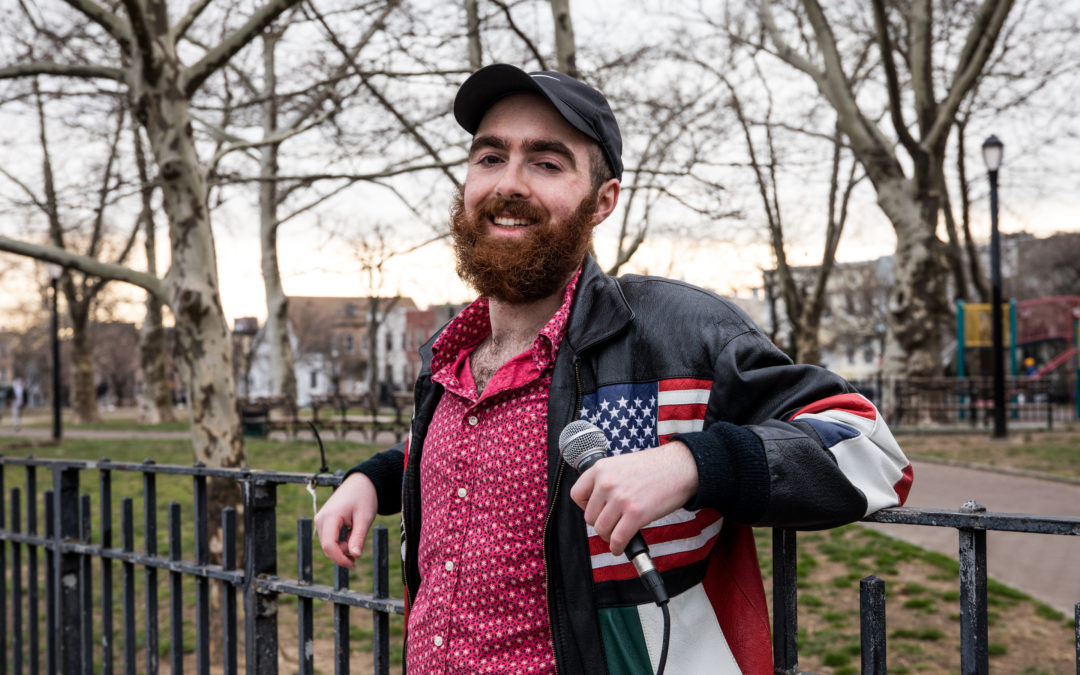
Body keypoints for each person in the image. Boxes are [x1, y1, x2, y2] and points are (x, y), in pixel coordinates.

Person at [314, 64, 912, 674]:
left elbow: (873, 448)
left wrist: (692, 464)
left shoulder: (679, 333)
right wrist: (376, 478)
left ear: (603, 202)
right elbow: (477, 452)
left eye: (547, 163)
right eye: (490, 157)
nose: (509, 183)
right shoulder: (450, 354)